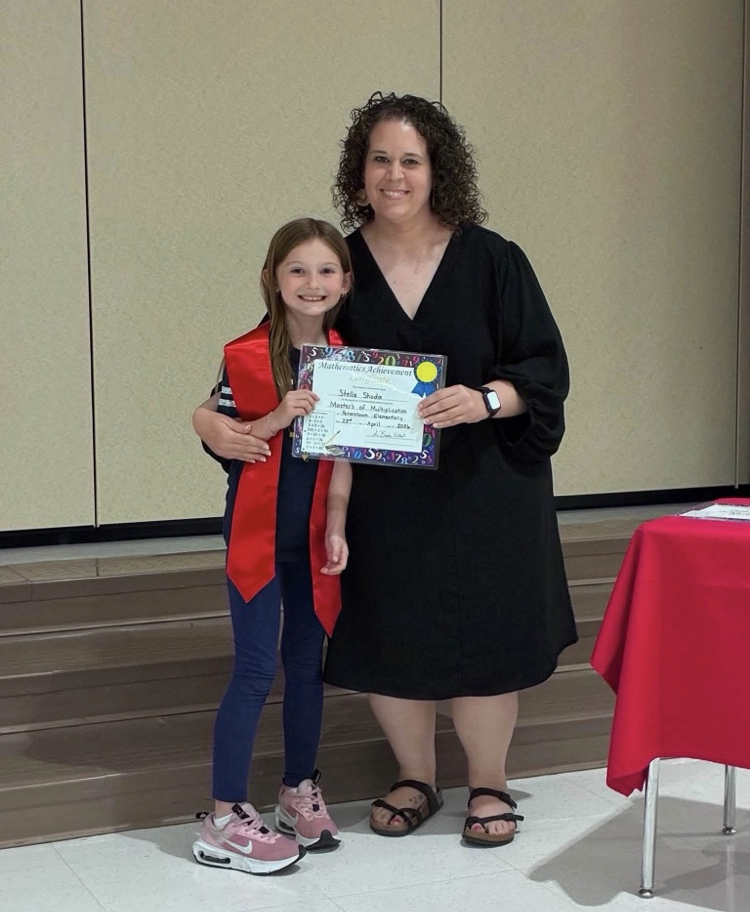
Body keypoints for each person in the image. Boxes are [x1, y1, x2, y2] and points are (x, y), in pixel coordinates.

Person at [194, 93, 577, 849]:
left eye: (410, 159)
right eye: (379, 159)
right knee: (391, 632)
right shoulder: (341, 263)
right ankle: (415, 776)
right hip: (375, 495)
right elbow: (270, 354)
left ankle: (489, 783)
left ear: (438, 169)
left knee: (487, 641)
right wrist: (209, 418)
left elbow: (543, 367)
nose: (394, 174)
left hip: (486, 487)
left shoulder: (494, 259)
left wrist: (486, 398)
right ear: (357, 171)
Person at [192, 218, 353, 875]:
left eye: (325, 271)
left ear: (344, 281)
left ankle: (296, 789)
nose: (311, 284)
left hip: (313, 538)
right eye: (297, 270)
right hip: (256, 537)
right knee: (257, 668)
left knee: (307, 667)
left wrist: (338, 522)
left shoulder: (349, 358)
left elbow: (345, 457)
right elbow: (234, 440)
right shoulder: (244, 356)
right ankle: (223, 815)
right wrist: (278, 416)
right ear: (271, 279)